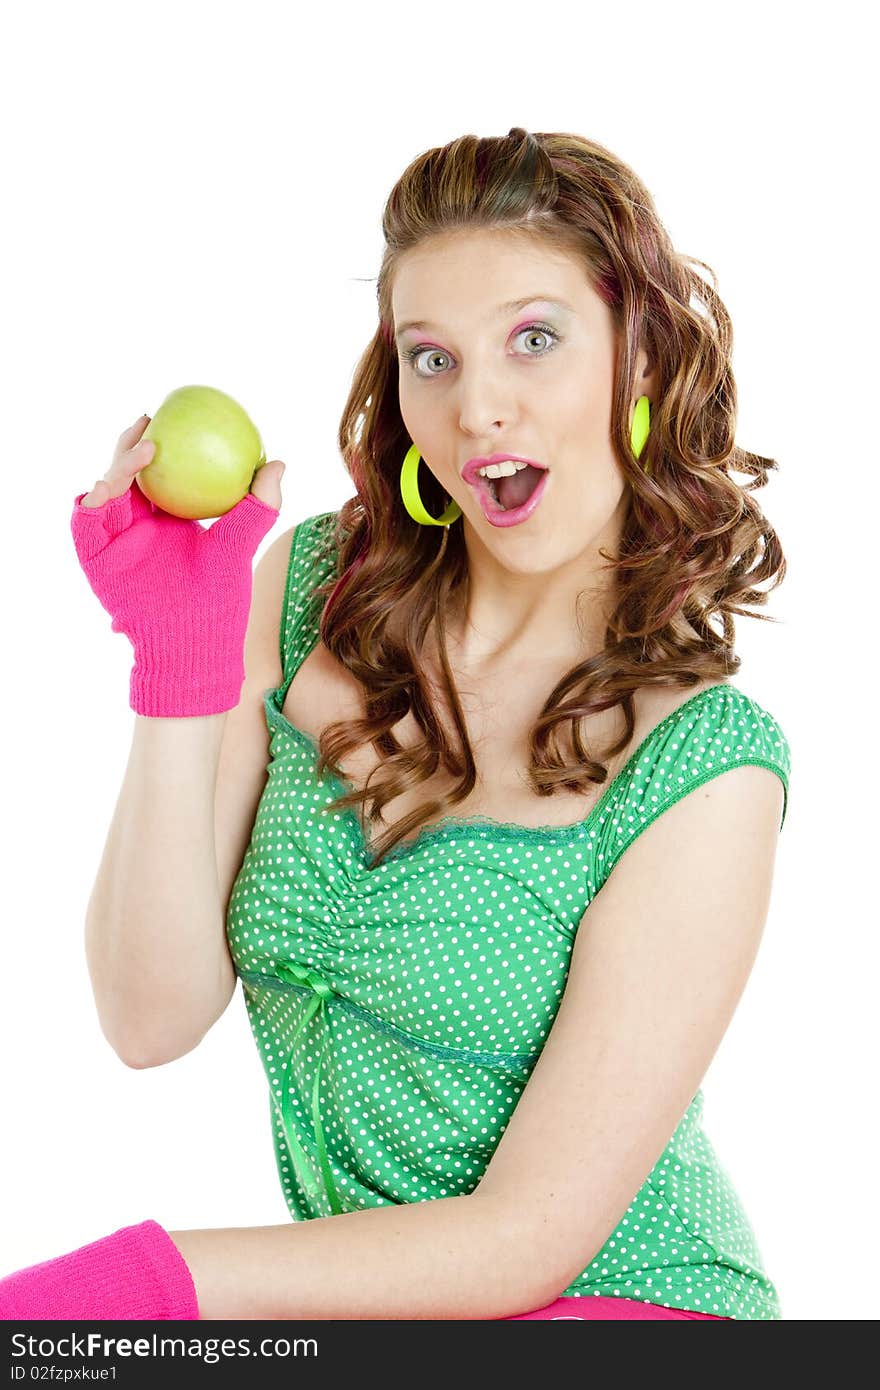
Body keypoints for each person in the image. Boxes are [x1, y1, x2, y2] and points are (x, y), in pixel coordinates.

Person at [2, 128, 790, 1321]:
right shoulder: (311, 586)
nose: (479, 406)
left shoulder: (703, 766)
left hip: (635, 1312)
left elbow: (525, 1241)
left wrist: (145, 1281)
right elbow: (149, 1016)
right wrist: (182, 660)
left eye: (536, 338)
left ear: (637, 356)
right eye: (432, 358)